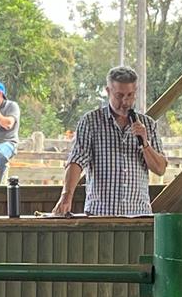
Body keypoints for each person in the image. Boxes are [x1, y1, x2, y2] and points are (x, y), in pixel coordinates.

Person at [52, 66, 168, 217]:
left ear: (136, 91)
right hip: (99, 215)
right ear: (108, 91)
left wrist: (145, 144)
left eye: (130, 95)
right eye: (119, 95)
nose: (125, 101)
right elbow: (76, 161)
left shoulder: (148, 124)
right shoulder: (91, 122)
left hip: (138, 215)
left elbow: (160, 169)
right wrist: (66, 196)